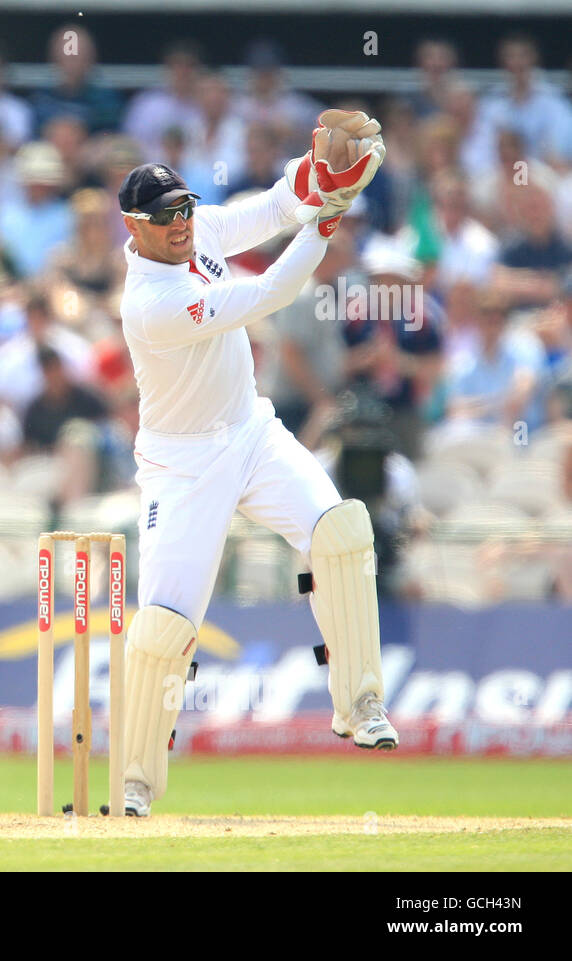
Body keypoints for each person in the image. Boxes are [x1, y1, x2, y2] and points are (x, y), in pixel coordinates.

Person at [114, 111, 399, 819]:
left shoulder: (201, 230)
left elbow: (274, 206)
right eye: (163, 216)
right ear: (133, 227)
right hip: (182, 465)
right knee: (164, 625)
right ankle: (137, 782)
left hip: (252, 430)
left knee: (339, 531)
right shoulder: (151, 302)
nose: (180, 223)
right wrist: (328, 221)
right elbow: (271, 291)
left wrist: (317, 186)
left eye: (183, 206)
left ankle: (360, 702)